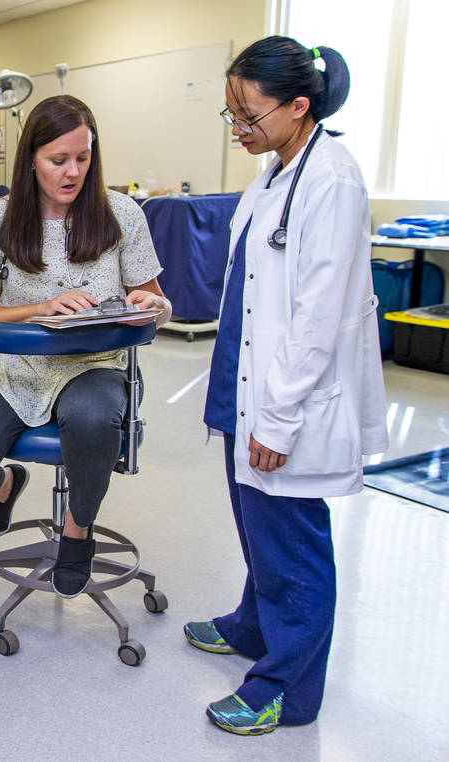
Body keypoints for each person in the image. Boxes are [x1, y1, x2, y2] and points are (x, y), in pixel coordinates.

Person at [184, 37, 388, 736]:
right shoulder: (275, 173)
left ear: (300, 107)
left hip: (288, 398)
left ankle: (285, 688)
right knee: (255, 522)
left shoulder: (332, 180)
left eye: (249, 115)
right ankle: (251, 623)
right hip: (245, 381)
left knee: (293, 545)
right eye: (232, 113)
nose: (239, 128)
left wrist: (277, 419)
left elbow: (319, 316)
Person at [0, 95, 170, 597]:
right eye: (58, 160)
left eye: (82, 158)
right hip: (20, 369)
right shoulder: (0, 219)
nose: (72, 171)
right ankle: (3, 485)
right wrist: (42, 307)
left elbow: (157, 305)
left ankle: (77, 533)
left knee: (91, 416)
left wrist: (153, 305)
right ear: (30, 158)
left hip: (98, 366)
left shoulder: (121, 213)